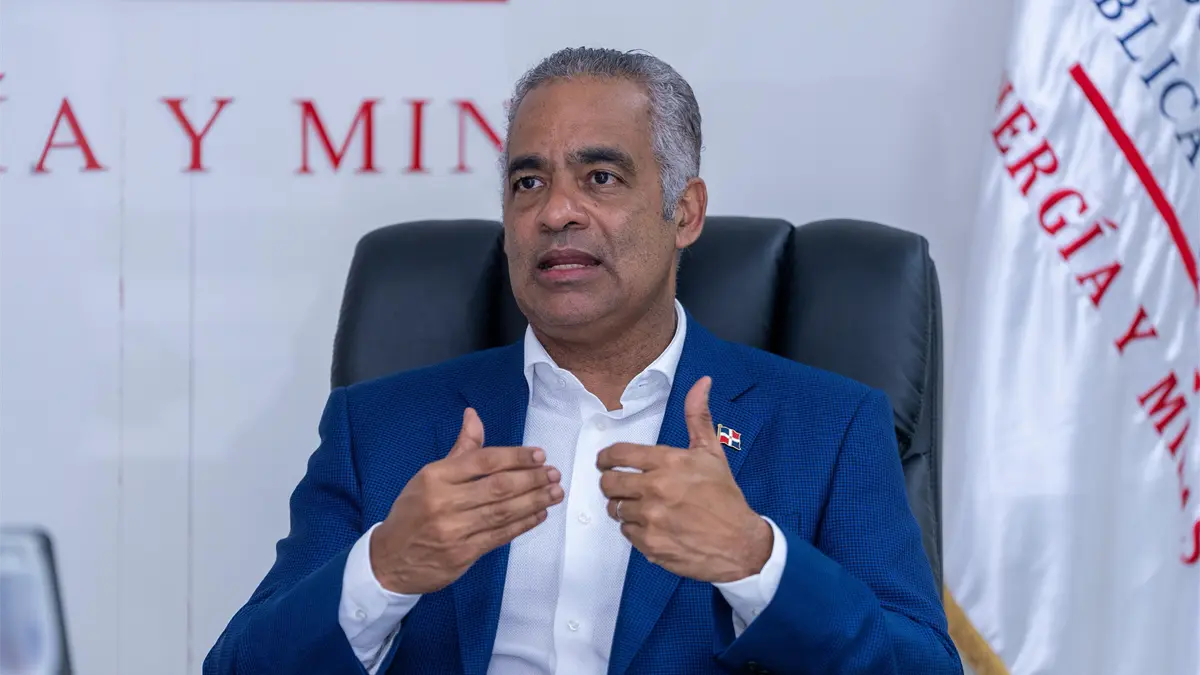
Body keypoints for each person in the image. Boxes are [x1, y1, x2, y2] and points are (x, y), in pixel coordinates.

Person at [203, 47, 962, 675]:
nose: (555, 211)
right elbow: (238, 666)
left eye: (601, 177)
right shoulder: (380, 427)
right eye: (528, 182)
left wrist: (756, 560)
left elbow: (922, 666)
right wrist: (385, 569)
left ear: (685, 211)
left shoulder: (828, 425)